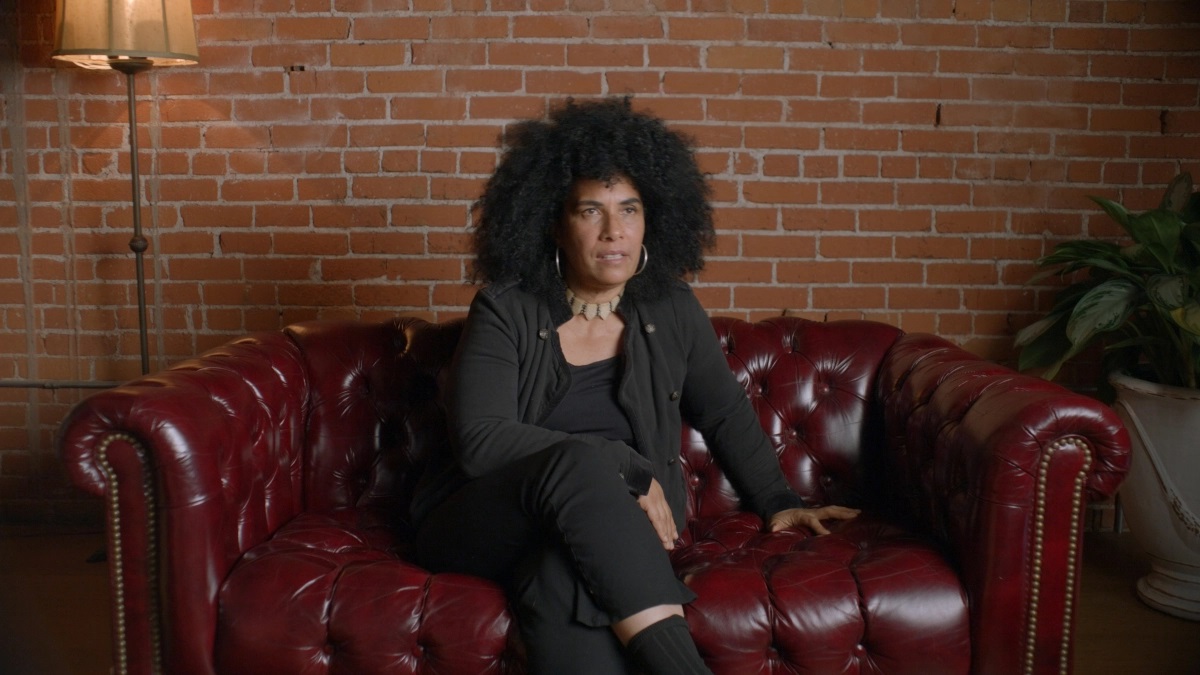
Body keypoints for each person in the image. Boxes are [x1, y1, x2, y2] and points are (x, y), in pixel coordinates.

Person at [411, 97, 859, 675]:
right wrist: (622, 463)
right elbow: (480, 441)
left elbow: (723, 412)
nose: (613, 231)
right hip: (484, 518)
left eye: (629, 209)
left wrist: (778, 501)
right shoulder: (506, 309)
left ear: (652, 220)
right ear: (554, 223)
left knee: (557, 579)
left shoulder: (671, 309)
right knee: (580, 464)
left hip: (605, 530)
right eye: (590, 211)